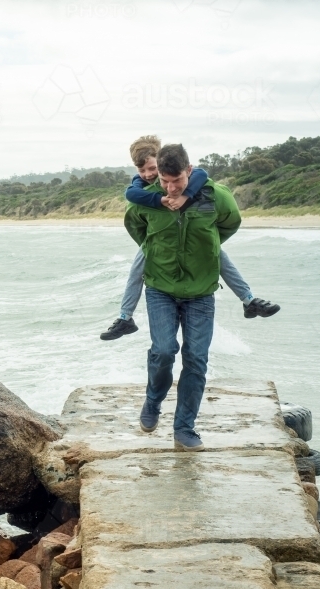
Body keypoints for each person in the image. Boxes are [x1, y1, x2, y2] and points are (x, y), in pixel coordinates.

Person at [101, 136, 279, 341]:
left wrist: (188, 202)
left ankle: (249, 300)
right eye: (142, 170)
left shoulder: (191, 176)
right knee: (137, 270)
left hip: (195, 240)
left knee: (217, 254)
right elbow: (132, 208)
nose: (148, 175)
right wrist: (159, 203)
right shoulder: (139, 186)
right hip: (159, 241)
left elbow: (201, 175)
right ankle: (125, 317)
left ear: (160, 163)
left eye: (152, 168)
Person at [124, 143, 241, 451]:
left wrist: (209, 248)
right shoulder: (148, 197)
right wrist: (157, 251)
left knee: (196, 360)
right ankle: (153, 400)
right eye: (165, 180)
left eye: (177, 180)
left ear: (190, 171)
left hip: (201, 292)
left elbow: (231, 222)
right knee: (163, 350)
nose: (171, 187)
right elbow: (135, 226)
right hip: (160, 288)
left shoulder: (215, 196)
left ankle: (184, 428)